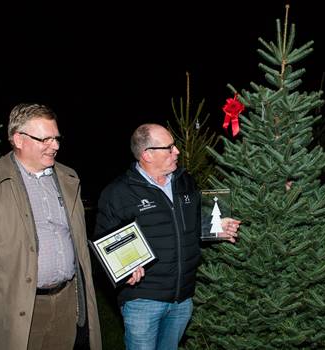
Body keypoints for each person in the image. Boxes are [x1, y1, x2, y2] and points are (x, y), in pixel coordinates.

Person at [0, 103, 101, 350]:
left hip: (67, 303)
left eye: (56, 138)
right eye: (45, 139)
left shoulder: (68, 178)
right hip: (17, 310)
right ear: (18, 139)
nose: (55, 146)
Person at [94, 123, 240, 350]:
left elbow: (192, 226)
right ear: (147, 155)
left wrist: (215, 228)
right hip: (143, 300)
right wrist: (123, 272)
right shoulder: (119, 193)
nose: (177, 151)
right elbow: (105, 244)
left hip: (182, 298)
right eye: (169, 147)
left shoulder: (185, 181)